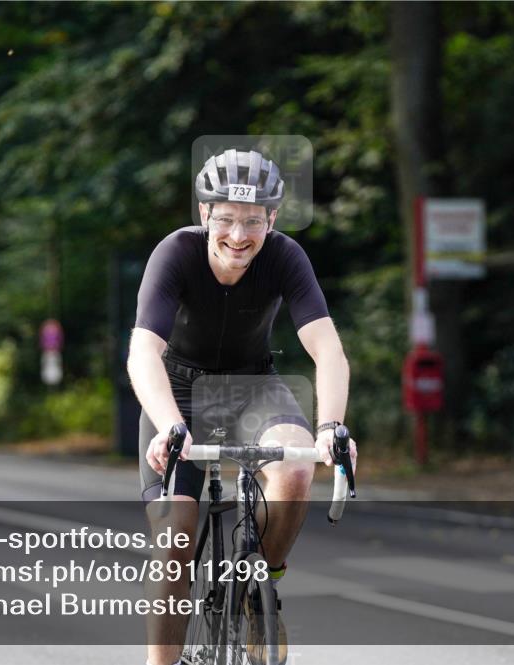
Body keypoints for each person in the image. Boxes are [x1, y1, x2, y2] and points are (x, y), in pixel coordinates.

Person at [128, 149, 357, 665]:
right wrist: (169, 426)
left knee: (297, 467)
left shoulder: (284, 256)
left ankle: (261, 589)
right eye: (226, 218)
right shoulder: (176, 253)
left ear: (271, 219)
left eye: (253, 221)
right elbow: (144, 352)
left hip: (254, 387)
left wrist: (331, 427)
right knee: (174, 544)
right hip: (180, 393)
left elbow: (328, 350)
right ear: (206, 214)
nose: (238, 235)